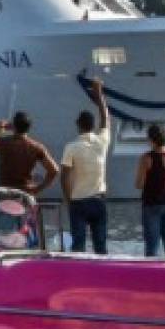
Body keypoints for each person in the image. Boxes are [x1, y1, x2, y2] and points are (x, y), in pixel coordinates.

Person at [60, 79, 111, 254]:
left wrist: (68, 199)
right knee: (101, 245)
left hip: (78, 201)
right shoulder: (101, 142)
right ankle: (103, 276)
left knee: (78, 245)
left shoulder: (71, 147)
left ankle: (78, 277)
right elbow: (105, 118)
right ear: (92, 125)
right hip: (98, 199)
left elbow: (64, 176)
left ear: (78, 125)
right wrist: (99, 94)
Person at [0, 111, 59, 195]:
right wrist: (38, 188)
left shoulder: (3, 143)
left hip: (7, 192)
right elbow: (54, 170)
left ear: (14, 125)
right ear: (29, 127)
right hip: (26, 193)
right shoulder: (36, 147)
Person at [134, 123, 165, 257]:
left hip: (152, 204)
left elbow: (139, 184)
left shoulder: (146, 158)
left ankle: (151, 274)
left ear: (151, 139)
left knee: (152, 245)